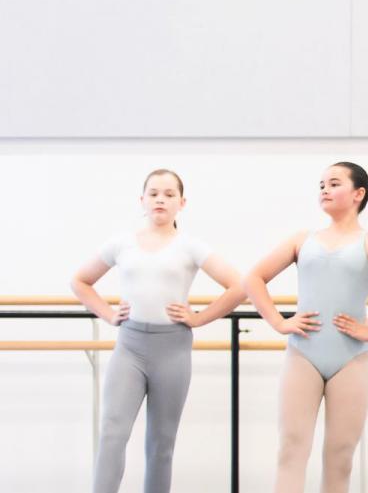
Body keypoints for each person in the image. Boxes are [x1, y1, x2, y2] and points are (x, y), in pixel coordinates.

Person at [243, 162, 368, 493]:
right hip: (303, 354)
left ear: (358, 193)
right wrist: (278, 322)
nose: (324, 189)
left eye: (334, 183)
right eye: (321, 184)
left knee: (340, 457)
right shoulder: (302, 239)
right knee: (291, 449)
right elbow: (254, 278)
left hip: (350, 358)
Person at [72, 169, 246, 493]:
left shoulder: (191, 246)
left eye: (168, 194)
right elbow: (80, 281)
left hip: (172, 350)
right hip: (130, 348)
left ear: (182, 202)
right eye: (153, 194)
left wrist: (199, 318)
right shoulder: (122, 243)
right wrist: (108, 314)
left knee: (161, 443)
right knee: (112, 433)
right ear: (142, 200)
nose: (160, 200)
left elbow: (239, 286)